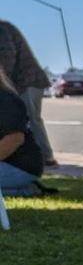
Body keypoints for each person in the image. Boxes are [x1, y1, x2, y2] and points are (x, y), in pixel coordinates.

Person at [0, 19, 56, 166]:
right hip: (20, 82)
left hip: (28, 82)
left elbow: (7, 57)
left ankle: (46, 157)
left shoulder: (2, 28)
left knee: (30, 118)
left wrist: (4, 85)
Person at [0, 65, 44, 195]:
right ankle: (20, 189)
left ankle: (25, 189)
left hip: (19, 166)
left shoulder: (5, 99)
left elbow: (15, 139)